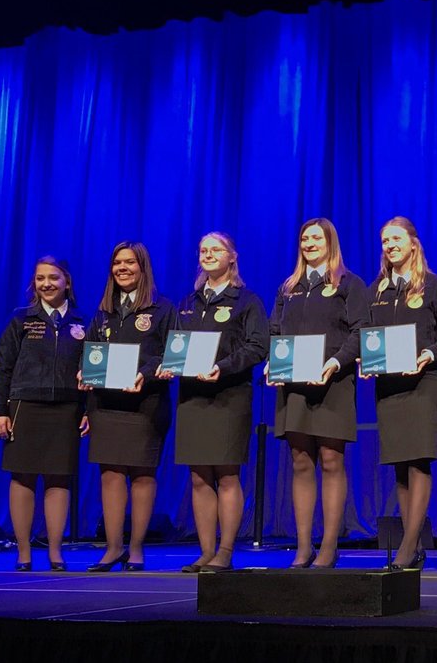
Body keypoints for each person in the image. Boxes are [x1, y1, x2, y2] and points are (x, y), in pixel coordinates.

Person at [159, 232, 268, 573]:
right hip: (192, 397)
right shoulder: (188, 301)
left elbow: (257, 347)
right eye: (203, 250)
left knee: (226, 475)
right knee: (198, 477)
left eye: (215, 249)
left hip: (229, 397)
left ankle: (225, 551)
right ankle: (206, 552)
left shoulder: (246, 300)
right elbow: (176, 345)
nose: (207, 254)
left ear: (232, 257)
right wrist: (168, 364)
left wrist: (221, 368)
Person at [268, 218, 367, 569]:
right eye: (304, 238)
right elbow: (275, 332)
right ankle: (302, 545)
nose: (309, 243)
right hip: (294, 385)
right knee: (300, 460)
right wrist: (272, 363)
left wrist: (337, 363)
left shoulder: (348, 284)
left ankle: (328, 545)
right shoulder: (288, 287)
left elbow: (360, 331)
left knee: (330, 459)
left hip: (333, 383)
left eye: (316, 238)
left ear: (330, 242)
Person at [82, 242, 176, 572]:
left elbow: (170, 354)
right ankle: (112, 548)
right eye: (117, 262)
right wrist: (85, 372)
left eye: (130, 262)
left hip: (146, 403)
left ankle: (135, 549)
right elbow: (93, 352)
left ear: (142, 267)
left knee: (141, 475)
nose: (122, 268)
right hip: (105, 405)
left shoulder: (163, 308)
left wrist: (145, 374)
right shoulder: (103, 310)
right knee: (109, 474)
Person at [0, 256, 89, 571]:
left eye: (53, 278)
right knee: (23, 478)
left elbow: (91, 373)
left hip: (66, 407)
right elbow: (2, 369)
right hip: (24, 406)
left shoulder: (82, 322)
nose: (46, 284)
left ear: (67, 282)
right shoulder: (20, 320)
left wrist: (88, 411)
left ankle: (56, 552)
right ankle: (23, 553)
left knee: (59, 478)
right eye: (40, 278)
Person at [363, 216, 437, 571]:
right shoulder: (376, 291)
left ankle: (408, 547)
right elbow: (366, 335)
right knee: (400, 465)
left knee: (419, 459)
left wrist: (428, 355)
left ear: (413, 242)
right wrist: (365, 360)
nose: (390, 245)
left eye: (396, 238)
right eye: (384, 241)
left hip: (422, 383)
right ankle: (412, 547)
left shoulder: (435, 286)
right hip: (389, 386)